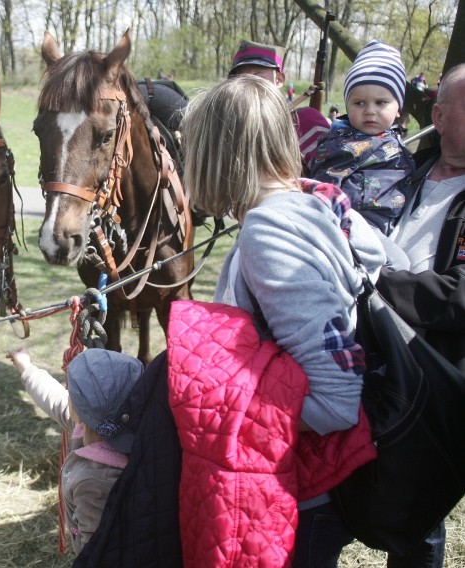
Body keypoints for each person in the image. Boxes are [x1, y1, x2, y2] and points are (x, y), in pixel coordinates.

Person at [180, 74, 387, 565]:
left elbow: (335, 401)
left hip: (302, 495)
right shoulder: (318, 201)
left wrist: (231, 415)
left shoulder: (271, 234)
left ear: (216, 154)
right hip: (309, 486)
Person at [370, 63, 465, 567]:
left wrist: (376, 280)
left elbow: (461, 296)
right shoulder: (403, 172)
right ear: (440, 115)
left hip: (430, 381)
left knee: (416, 519)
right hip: (367, 361)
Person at [6, 347, 143, 554]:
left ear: (79, 412)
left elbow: (98, 553)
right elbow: (53, 398)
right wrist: (27, 367)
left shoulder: (96, 482)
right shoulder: (97, 426)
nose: (66, 395)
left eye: (72, 393)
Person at [309, 40, 415, 237]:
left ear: (398, 108)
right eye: (359, 103)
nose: (369, 111)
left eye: (381, 102)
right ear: (347, 107)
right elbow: (323, 189)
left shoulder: (394, 140)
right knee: (400, 263)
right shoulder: (342, 144)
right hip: (353, 228)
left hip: (390, 228)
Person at [229, 40, 330, 170]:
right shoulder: (227, 125)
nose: (248, 84)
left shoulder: (306, 122)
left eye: (257, 77)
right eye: (241, 78)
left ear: (279, 79)